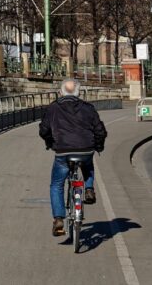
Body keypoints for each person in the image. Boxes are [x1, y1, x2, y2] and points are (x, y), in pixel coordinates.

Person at [39, 78, 107, 237]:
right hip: (85, 150)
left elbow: (44, 130)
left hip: (63, 151)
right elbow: (100, 131)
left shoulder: (53, 108)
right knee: (88, 163)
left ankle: (58, 219)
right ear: (78, 93)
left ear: (60, 92)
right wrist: (98, 146)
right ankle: (89, 189)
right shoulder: (88, 108)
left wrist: (50, 143)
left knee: (56, 184)